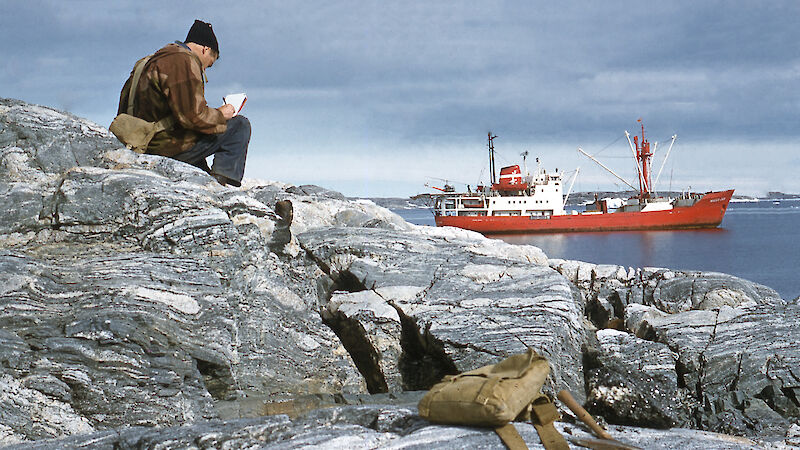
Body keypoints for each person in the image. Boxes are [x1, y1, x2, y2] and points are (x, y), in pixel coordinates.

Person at [117, 19, 250, 187]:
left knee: (193, 136)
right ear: (205, 49)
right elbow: (192, 117)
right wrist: (222, 114)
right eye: (209, 64)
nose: (203, 69)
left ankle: (204, 174)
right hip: (163, 149)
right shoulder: (183, 61)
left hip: (139, 142)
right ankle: (219, 186)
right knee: (239, 125)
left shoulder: (149, 61)